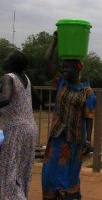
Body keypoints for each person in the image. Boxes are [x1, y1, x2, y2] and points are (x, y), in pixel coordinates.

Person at [42, 32, 96, 200]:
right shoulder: (60, 84)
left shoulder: (88, 93)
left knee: (69, 175)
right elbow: (46, 61)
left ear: (77, 69)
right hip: (57, 136)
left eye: (67, 67)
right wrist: (55, 41)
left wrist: (88, 140)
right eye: (63, 67)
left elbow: (89, 117)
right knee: (50, 172)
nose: (64, 70)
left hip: (74, 141)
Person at [0, 50, 38, 200]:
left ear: (12, 64)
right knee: (22, 170)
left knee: (8, 169)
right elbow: (37, 99)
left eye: (7, 59)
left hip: (15, 129)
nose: (4, 61)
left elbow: (6, 98)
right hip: (30, 128)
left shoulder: (8, 77)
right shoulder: (26, 79)